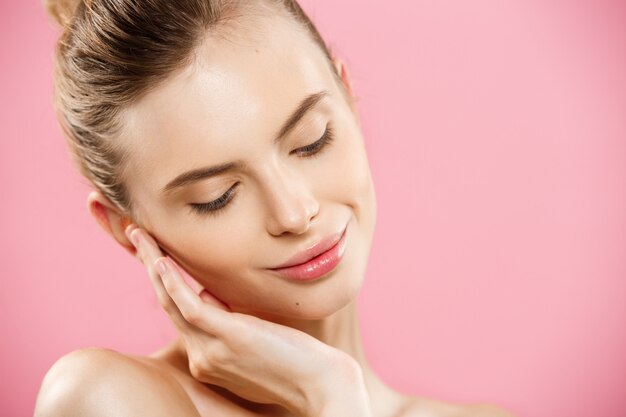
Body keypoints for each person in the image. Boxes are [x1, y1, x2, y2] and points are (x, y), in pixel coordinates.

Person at [34, 1, 517, 416]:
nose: (294, 212)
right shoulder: (104, 400)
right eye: (217, 197)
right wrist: (326, 394)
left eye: (311, 142)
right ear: (126, 228)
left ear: (347, 95)